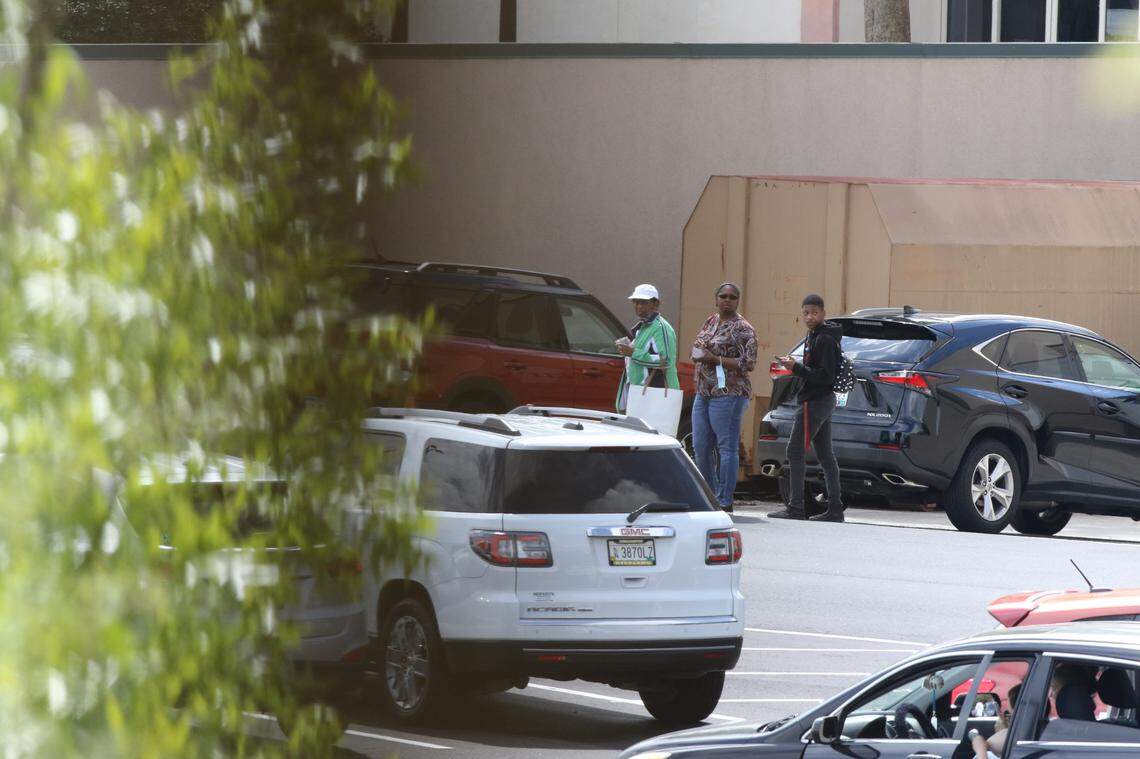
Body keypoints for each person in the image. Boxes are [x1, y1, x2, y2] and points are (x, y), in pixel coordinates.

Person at [769, 293, 844, 522]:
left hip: (816, 401)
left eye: (814, 312)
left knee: (794, 451)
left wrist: (796, 368)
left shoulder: (825, 340)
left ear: (823, 313)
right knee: (825, 455)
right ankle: (835, 509)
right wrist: (795, 367)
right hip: (817, 400)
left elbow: (826, 376)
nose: (810, 317)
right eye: (806, 313)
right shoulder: (813, 336)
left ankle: (796, 507)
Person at [690, 282, 757, 512]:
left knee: (726, 447)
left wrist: (714, 359)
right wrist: (698, 352)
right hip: (704, 392)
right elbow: (699, 344)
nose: (727, 300)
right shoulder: (711, 321)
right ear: (716, 299)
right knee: (700, 446)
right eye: (723, 296)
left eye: (732, 297)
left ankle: (724, 499)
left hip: (729, 393)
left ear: (738, 301)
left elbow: (749, 363)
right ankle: (709, 494)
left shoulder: (743, 328)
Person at [615, 283, 679, 412]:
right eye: (636, 302)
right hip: (641, 392)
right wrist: (628, 350)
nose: (638, 306)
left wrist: (633, 353)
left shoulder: (661, 327)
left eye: (643, 302)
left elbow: (665, 360)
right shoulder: (644, 327)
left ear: (656, 304)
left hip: (654, 393)